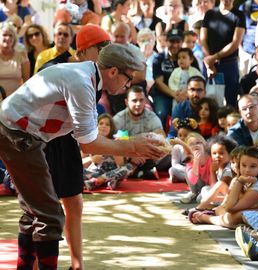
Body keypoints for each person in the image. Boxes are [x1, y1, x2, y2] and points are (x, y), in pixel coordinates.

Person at [0, 43, 166, 270]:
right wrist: (133, 147)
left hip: (21, 132)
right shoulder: (82, 82)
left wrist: (133, 145)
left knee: (35, 213)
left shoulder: (86, 75)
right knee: (50, 217)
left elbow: (89, 138)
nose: (128, 85)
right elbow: (89, 144)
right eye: (129, 79)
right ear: (113, 72)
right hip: (16, 133)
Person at [35, 24, 111, 270]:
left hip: (68, 141)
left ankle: (78, 265)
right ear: (85, 51)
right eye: (102, 48)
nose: (105, 54)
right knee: (45, 210)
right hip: (44, 141)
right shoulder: (54, 67)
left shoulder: (98, 75)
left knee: (74, 202)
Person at [188, 146, 258, 229]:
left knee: (237, 214)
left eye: (253, 166)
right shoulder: (248, 179)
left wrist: (239, 182)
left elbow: (230, 208)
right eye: (244, 165)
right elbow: (228, 205)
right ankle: (235, 223)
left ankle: (207, 218)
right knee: (222, 210)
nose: (247, 170)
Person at [113, 85, 167, 179]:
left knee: (168, 154)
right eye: (134, 100)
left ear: (145, 101)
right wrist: (131, 156)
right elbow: (117, 142)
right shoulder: (119, 119)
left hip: (147, 156)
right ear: (126, 102)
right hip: (127, 155)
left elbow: (161, 137)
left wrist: (143, 155)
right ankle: (144, 172)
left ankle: (138, 172)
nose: (138, 104)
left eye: (141, 100)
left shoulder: (152, 117)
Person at [200, 0, 246, 107]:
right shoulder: (210, 14)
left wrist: (214, 58)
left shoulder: (239, 15)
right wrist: (209, 63)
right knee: (208, 101)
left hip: (228, 64)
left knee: (230, 101)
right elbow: (202, 39)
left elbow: (235, 43)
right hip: (209, 64)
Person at [84, 113, 133, 190]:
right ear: (96, 126)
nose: (104, 126)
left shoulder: (115, 142)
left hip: (110, 174)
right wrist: (91, 159)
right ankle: (103, 182)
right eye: (101, 123)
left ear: (111, 128)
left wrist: (116, 150)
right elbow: (77, 162)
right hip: (94, 173)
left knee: (128, 167)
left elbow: (121, 166)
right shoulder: (89, 142)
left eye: (107, 124)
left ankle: (98, 181)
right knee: (74, 170)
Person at [151, 28, 183, 129]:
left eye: (178, 41)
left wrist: (184, 94)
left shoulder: (187, 57)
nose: (175, 45)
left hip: (183, 94)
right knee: (161, 113)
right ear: (166, 41)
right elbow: (159, 83)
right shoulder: (158, 59)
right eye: (172, 41)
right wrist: (174, 95)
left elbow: (195, 78)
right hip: (162, 95)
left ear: (182, 42)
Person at [195, 134, 236, 210]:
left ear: (230, 155)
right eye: (214, 153)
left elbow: (216, 187)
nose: (217, 156)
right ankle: (209, 204)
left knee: (204, 192)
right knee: (204, 191)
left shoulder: (229, 169)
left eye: (221, 153)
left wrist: (213, 172)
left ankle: (208, 206)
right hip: (220, 195)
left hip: (229, 196)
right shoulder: (219, 167)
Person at [179, 132, 214, 204]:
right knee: (187, 170)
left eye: (198, 143)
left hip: (211, 186)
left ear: (204, 145)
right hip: (199, 185)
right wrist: (196, 162)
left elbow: (213, 182)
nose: (195, 145)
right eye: (191, 144)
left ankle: (198, 195)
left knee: (199, 200)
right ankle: (193, 193)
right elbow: (193, 181)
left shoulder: (211, 158)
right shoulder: (190, 161)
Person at [238, 0, 258, 77]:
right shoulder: (245, 7)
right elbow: (238, 29)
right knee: (246, 80)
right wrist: (240, 51)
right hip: (247, 52)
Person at [0, 21, 29, 96]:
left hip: (16, 100)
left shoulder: (21, 54)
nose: (8, 38)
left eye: (11, 35)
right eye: (4, 35)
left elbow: (27, 83)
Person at [168, 117, 200, 183]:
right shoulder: (176, 147)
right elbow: (175, 164)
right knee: (171, 170)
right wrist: (186, 169)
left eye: (185, 135)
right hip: (184, 170)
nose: (182, 138)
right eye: (180, 135)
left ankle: (188, 179)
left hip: (195, 170)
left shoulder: (195, 146)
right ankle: (186, 179)